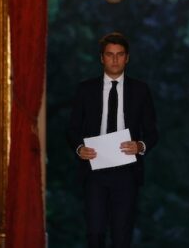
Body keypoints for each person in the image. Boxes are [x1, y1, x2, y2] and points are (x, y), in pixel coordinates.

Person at [66, 32, 159, 248]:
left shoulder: (140, 90)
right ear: (102, 58)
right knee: (95, 233)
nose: (115, 60)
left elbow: (153, 132)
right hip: (94, 170)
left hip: (127, 172)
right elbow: (72, 129)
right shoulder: (85, 89)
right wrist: (80, 148)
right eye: (110, 55)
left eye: (120, 55)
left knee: (121, 235)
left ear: (127, 58)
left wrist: (140, 146)